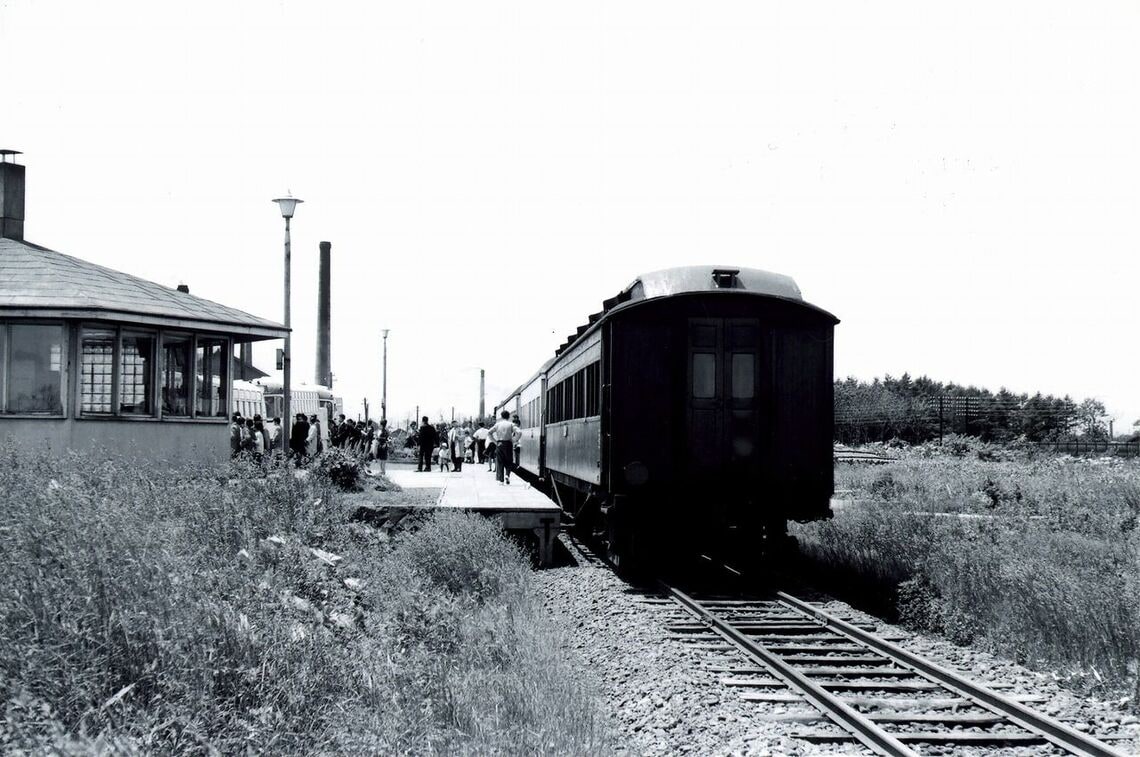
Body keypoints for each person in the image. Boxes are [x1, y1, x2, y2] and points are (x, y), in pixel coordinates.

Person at [489, 410, 518, 485]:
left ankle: (501, 480)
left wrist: (495, 442)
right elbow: (519, 432)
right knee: (509, 461)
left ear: (501, 416)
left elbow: (489, 433)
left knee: (500, 462)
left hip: (499, 444)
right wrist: (514, 440)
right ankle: (507, 475)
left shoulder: (497, 424)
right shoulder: (511, 424)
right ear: (509, 416)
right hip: (508, 443)